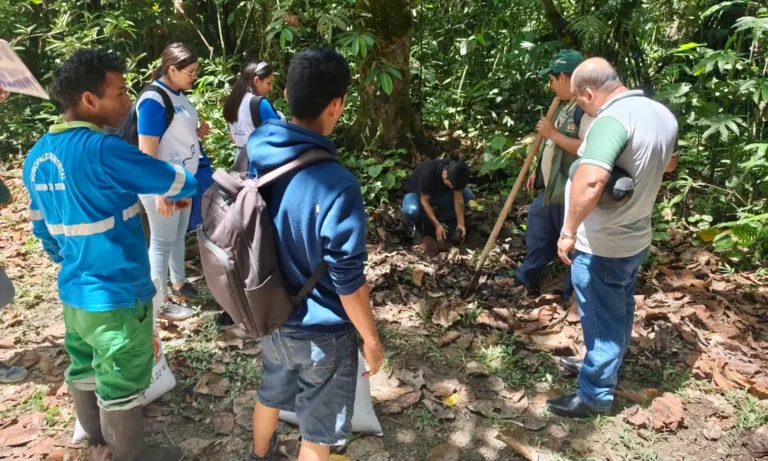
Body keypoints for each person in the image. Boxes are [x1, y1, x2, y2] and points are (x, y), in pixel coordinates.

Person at [22, 48, 197, 460]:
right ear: (89, 100)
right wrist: (192, 182)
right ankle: (130, 456)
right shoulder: (104, 149)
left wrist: (69, 262)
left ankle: (96, 440)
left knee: (83, 363)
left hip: (75, 291)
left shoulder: (37, 156)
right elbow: (172, 180)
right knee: (121, 377)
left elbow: (41, 228)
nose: (127, 101)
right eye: (119, 92)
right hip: (117, 292)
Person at [246, 48, 384, 461]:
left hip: (270, 312)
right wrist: (372, 339)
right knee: (318, 433)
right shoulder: (338, 184)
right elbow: (346, 277)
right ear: (336, 104)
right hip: (323, 332)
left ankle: (260, 456)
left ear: (287, 92)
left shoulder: (258, 152)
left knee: (271, 394)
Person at [547, 58, 678, 418]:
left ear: (589, 92)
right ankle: (601, 366)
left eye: (580, 100)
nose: (580, 106)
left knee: (602, 319)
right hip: (634, 235)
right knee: (619, 310)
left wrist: (568, 231)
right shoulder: (660, 114)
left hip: (603, 241)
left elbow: (591, 180)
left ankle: (594, 394)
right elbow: (670, 164)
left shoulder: (611, 120)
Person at [137, 43, 210, 320]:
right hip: (162, 183)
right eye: (190, 71)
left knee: (178, 235)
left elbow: (176, 133)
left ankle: (179, 284)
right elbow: (147, 150)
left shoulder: (177, 95)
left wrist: (197, 129)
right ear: (172, 69)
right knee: (161, 242)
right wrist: (160, 190)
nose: (194, 76)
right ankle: (161, 302)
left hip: (181, 180)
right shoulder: (154, 99)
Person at [514, 50, 594, 297]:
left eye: (551, 80)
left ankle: (573, 295)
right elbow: (552, 146)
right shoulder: (564, 106)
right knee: (538, 230)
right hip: (551, 187)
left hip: (568, 189)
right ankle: (526, 279)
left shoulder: (586, 109)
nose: (550, 86)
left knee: (572, 243)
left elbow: (589, 150)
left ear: (563, 77)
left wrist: (552, 134)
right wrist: (538, 172)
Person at [402, 159, 472, 241]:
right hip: (417, 194)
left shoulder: (457, 171)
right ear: (445, 175)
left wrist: (461, 224)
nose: (453, 188)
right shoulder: (428, 173)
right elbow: (424, 200)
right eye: (451, 185)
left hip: (438, 194)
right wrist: (437, 225)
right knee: (411, 211)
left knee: (466, 194)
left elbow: (459, 198)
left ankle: (445, 218)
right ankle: (419, 223)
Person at [224, 61, 280, 150]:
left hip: (240, 158)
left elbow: (232, 137)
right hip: (259, 157)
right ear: (257, 80)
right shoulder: (259, 103)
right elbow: (280, 134)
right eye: (269, 83)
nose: (271, 88)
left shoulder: (233, 102)